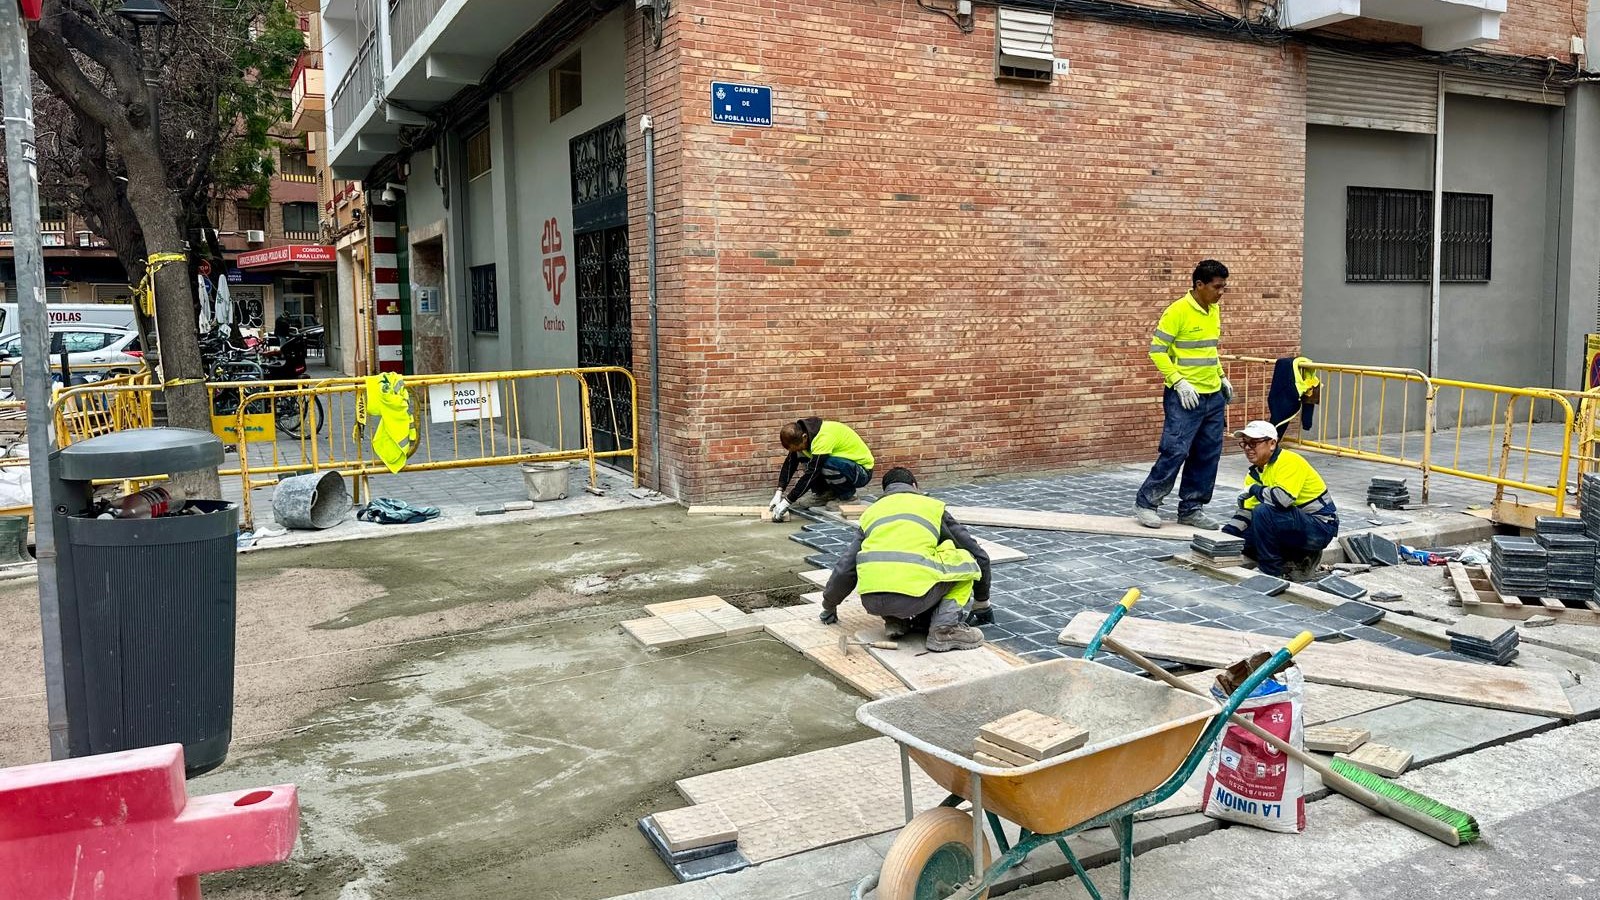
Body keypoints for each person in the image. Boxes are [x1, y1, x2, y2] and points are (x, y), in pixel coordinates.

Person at [819, 467, 993, 651]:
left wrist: (829, 605)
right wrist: (982, 602)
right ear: (914, 486)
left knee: (884, 562)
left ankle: (896, 622)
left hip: (872, 601)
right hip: (913, 599)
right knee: (965, 561)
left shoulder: (872, 513)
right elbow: (977, 554)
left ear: (886, 491)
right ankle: (944, 631)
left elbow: (845, 567)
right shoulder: (931, 507)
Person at [1134, 259, 1234, 530]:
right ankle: (1147, 503)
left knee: (1207, 454)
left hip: (1213, 396)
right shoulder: (1177, 311)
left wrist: (1221, 377)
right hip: (1185, 397)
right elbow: (1157, 352)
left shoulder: (1213, 309)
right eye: (1217, 287)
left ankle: (1191, 508)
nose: (1221, 292)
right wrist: (1178, 382)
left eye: (1224, 287)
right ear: (1199, 285)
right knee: (1175, 451)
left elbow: (1209, 350)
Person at [1222, 420, 1339, 581]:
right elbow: (1247, 511)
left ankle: (1271, 572)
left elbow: (1282, 500)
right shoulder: (1254, 474)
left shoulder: (1289, 462)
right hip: (1293, 525)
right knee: (1241, 541)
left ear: (1272, 444)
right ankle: (1295, 560)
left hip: (1320, 527)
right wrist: (1226, 535)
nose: (1248, 448)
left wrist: (1255, 489)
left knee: (1263, 511)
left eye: (1253, 443)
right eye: (1245, 444)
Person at [768, 417, 875, 522]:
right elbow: (790, 464)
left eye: (797, 447)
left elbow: (812, 473)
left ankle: (849, 497)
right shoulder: (802, 436)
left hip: (861, 472)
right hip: (844, 466)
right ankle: (825, 494)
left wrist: (787, 501)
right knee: (803, 455)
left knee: (826, 464)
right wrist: (779, 492)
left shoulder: (823, 438)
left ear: (804, 437)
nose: (796, 450)